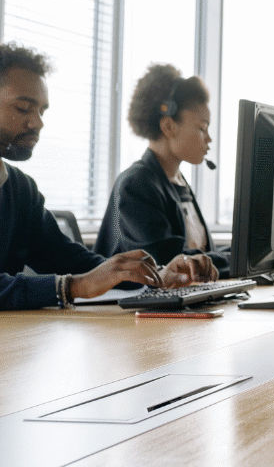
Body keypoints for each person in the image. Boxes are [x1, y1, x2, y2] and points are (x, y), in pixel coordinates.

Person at [0, 44, 216, 311]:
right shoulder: (139, 181)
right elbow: (79, 281)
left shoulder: (20, 189)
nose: (38, 122)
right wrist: (73, 286)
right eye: (23, 108)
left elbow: (72, 263)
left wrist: (155, 275)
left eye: (41, 111)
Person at [95, 64, 227, 276]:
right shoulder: (136, 183)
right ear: (168, 127)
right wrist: (236, 259)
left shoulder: (177, 182)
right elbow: (170, 262)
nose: (209, 138)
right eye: (202, 128)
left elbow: (201, 256)